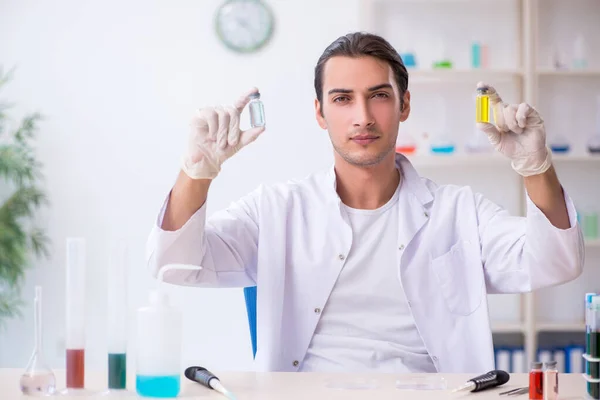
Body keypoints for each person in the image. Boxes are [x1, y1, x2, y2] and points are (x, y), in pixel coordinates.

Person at [146, 32, 584, 373]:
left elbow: (555, 262)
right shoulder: (277, 210)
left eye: (378, 95)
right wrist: (197, 172)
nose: (363, 117)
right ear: (320, 112)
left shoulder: (457, 211)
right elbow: (175, 264)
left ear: (404, 104)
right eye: (342, 99)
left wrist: (535, 167)